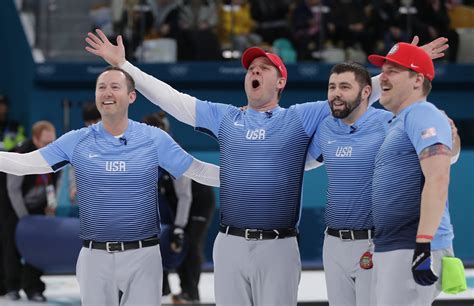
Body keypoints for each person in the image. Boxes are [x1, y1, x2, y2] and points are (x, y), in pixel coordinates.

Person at [85, 29, 448, 306]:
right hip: (229, 244)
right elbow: (174, 100)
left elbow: (353, 92)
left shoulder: (301, 117)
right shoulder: (225, 117)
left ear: (280, 81)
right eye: (250, 69)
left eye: (263, 68)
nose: (254, 72)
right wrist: (124, 65)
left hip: (279, 246)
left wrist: (406, 68)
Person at [0, 67, 219, 306]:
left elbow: (197, 169)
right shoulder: (77, 140)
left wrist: (245, 176)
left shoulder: (154, 138)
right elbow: (25, 163)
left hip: (143, 256)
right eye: (101, 87)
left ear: (131, 96)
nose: (107, 92)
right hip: (94, 257)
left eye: (115, 86)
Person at [306, 59, 460, 305]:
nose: (335, 93)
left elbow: (442, 160)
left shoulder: (391, 122)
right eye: (332, 86)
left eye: (344, 87)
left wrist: (453, 142)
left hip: (373, 242)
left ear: (367, 91)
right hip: (333, 243)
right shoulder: (325, 128)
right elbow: (301, 163)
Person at [367, 42, 454, 305]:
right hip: (393, 245)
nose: (383, 76)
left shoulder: (423, 113)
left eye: (393, 71)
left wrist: (424, 245)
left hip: (411, 246)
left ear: (417, 80)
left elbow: (438, 179)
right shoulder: (399, 121)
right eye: (383, 70)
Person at [143, 112, 216, 303]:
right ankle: (163, 287)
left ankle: (190, 292)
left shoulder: (174, 154)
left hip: (198, 201)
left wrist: (179, 226)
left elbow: (185, 195)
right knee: (160, 240)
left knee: (189, 242)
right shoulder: (145, 154)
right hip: (174, 201)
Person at [3, 121, 58, 302]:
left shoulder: (56, 154)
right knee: (11, 246)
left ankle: (33, 287)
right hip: (14, 207)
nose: (49, 147)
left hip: (39, 207)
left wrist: (52, 204)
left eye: (53, 142)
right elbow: (13, 190)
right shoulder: (20, 154)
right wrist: (24, 218)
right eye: (45, 143)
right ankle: (11, 286)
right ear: (35, 139)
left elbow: (54, 184)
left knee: (38, 246)